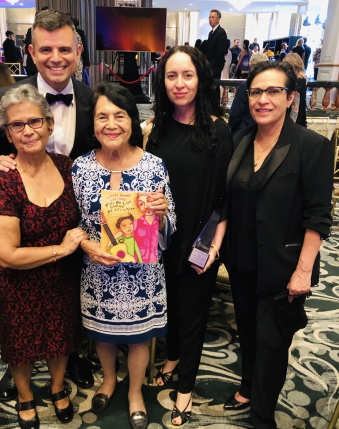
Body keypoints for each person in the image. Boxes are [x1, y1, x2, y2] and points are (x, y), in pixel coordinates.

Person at [0, 8, 95, 402]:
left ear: (78, 51)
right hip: (20, 213)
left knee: (67, 310)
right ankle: (23, 376)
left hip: (71, 219)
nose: (56, 57)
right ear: (31, 51)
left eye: (65, 48)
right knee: (21, 317)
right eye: (46, 49)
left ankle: (70, 361)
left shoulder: (94, 97)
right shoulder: (3, 99)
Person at [224, 60, 333, 428]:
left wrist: (303, 271)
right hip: (240, 259)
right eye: (256, 91)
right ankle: (247, 385)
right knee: (248, 330)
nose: (263, 99)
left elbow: (318, 216)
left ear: (290, 98)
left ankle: (261, 417)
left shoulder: (311, 147)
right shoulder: (240, 139)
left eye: (273, 91)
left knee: (272, 342)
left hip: (284, 265)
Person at [0, 84, 88, 429]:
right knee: (20, 343)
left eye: (35, 121)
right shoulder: (4, 181)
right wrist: (62, 249)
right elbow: (6, 255)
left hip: (63, 277)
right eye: (17, 125)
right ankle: (25, 395)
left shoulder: (67, 167)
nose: (28, 130)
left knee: (61, 336)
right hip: (19, 280)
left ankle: (57, 388)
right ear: (7, 134)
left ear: (49, 125)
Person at [72, 83, 176, 429]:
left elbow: (171, 224)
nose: (111, 124)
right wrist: (86, 244)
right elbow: (69, 223)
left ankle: (134, 391)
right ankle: (108, 379)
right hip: (97, 272)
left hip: (141, 277)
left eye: (119, 115)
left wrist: (162, 214)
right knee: (102, 334)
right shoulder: (79, 168)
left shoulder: (154, 166)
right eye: (102, 116)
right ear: (93, 123)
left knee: (138, 338)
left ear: (132, 120)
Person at [145, 46, 233, 426]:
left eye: (187, 75)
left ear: (201, 79)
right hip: (162, 240)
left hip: (201, 241)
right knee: (172, 308)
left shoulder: (219, 130)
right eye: (171, 76)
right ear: (162, 82)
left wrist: (214, 245)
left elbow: (226, 199)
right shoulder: (156, 130)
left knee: (193, 315)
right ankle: (172, 357)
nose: (179, 84)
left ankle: (184, 391)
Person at [229, 52, 269, 134]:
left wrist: (231, 130)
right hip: (266, 130)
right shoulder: (273, 87)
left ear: (251, 67)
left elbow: (235, 113)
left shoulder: (245, 85)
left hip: (245, 131)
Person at [283, 53, 307, 127]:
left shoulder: (297, 81)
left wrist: (290, 126)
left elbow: (295, 108)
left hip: (295, 122)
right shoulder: (302, 78)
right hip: (300, 120)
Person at [205, 9, 227, 79]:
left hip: (215, 67)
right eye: (209, 17)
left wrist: (214, 66)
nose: (210, 19)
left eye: (213, 17)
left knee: (214, 87)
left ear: (218, 19)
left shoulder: (221, 32)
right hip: (209, 66)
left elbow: (221, 53)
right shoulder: (211, 33)